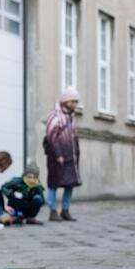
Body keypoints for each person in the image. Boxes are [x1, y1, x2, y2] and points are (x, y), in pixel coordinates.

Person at [44, 87, 81, 221]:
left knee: (70, 184)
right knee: (53, 183)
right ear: (65, 101)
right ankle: (52, 211)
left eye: (76, 102)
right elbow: (51, 137)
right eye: (72, 101)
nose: (75, 105)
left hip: (71, 157)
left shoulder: (72, 117)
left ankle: (65, 210)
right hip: (56, 158)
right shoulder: (55, 116)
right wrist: (58, 154)